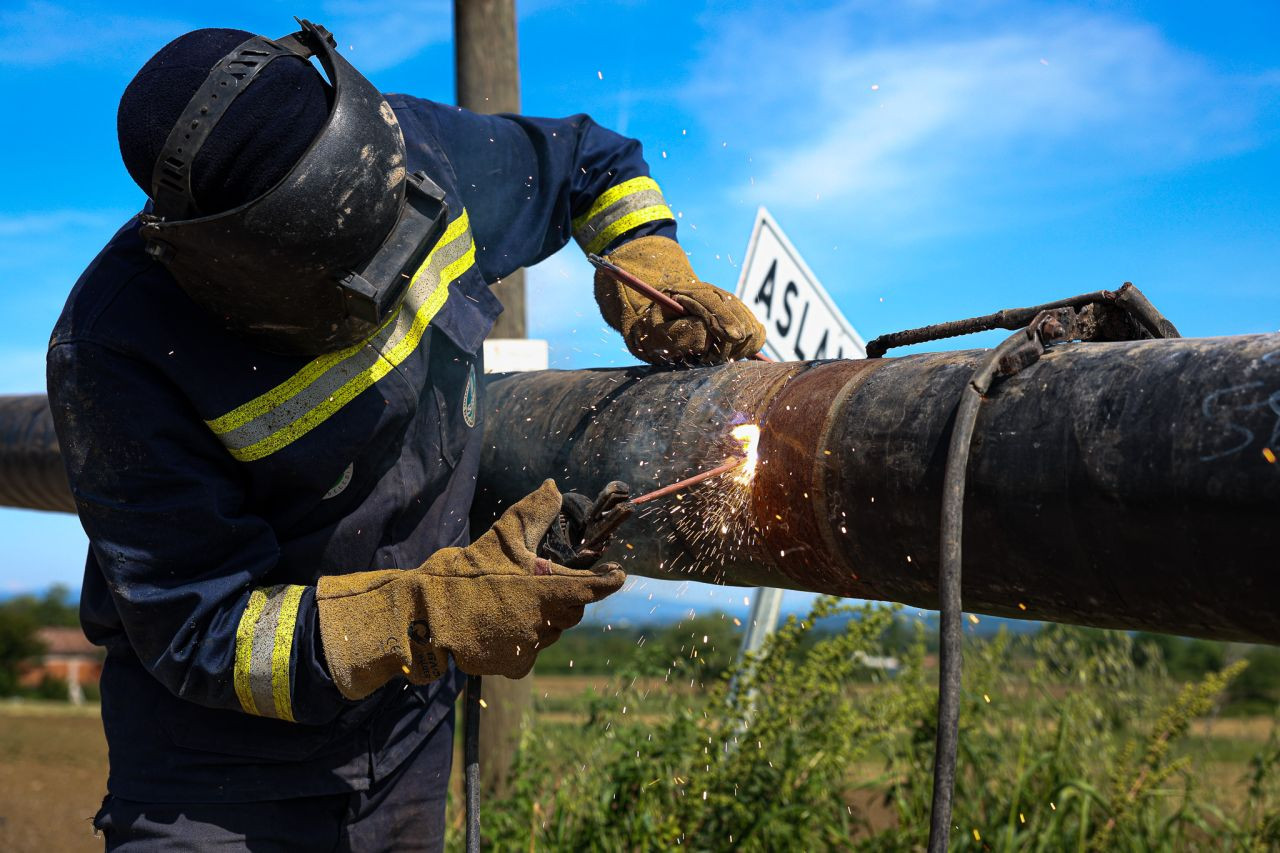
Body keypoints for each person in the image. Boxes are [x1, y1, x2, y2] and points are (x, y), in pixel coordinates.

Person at [47, 20, 766, 851]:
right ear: (231, 263)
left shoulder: (413, 149)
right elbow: (198, 629)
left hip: (407, 745)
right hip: (219, 784)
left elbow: (590, 162)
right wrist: (423, 616)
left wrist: (648, 263)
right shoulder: (119, 346)